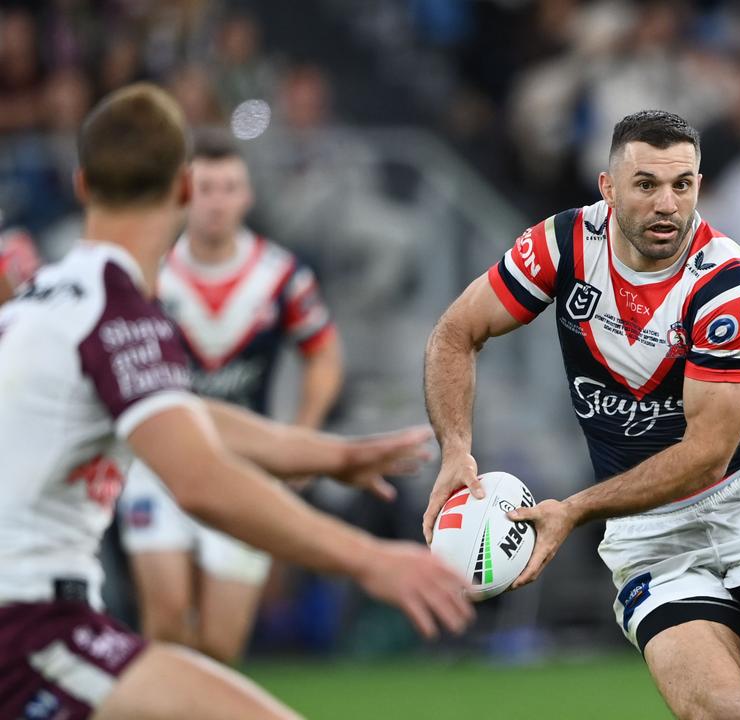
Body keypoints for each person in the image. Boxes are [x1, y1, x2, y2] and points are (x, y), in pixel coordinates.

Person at [0, 83, 473, 720]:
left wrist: (324, 454)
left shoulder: (45, 295)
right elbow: (198, 479)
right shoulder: (118, 311)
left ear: (83, 185)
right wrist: (369, 560)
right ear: (185, 190)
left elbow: (189, 417)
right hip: (30, 626)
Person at [422, 110, 740, 720]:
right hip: (650, 533)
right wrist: (456, 448)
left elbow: (707, 457)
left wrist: (576, 509)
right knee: (720, 714)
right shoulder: (561, 246)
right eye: (646, 185)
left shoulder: (730, 284)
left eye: (682, 184)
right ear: (608, 188)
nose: (667, 203)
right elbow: (456, 332)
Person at [116, 129, 344, 665]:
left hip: (244, 466)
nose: (216, 201)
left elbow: (326, 354)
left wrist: (301, 433)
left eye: (228, 188)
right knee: (166, 624)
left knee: (221, 644)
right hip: (158, 465)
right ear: (183, 194)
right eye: (205, 187)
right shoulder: (150, 274)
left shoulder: (281, 275)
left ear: (247, 196)